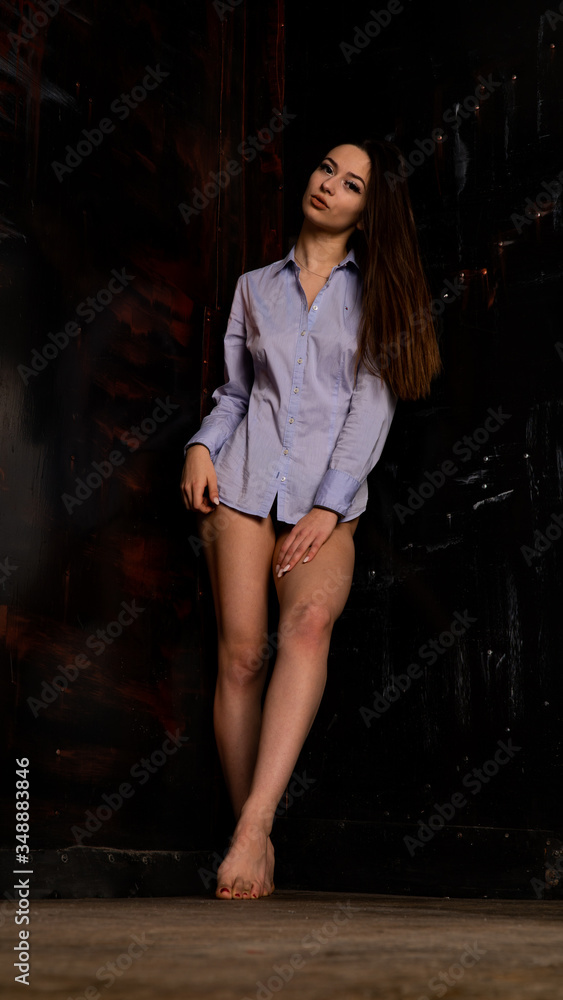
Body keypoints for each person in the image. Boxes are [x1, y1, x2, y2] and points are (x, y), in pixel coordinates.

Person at [180, 139, 441, 900]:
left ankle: (253, 829)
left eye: (351, 183)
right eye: (327, 168)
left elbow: (372, 405)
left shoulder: (377, 294)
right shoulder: (253, 287)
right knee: (241, 659)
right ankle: (252, 837)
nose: (329, 185)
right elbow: (236, 394)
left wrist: (329, 503)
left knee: (306, 627)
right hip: (242, 485)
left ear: (367, 211)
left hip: (327, 502)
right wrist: (201, 447)